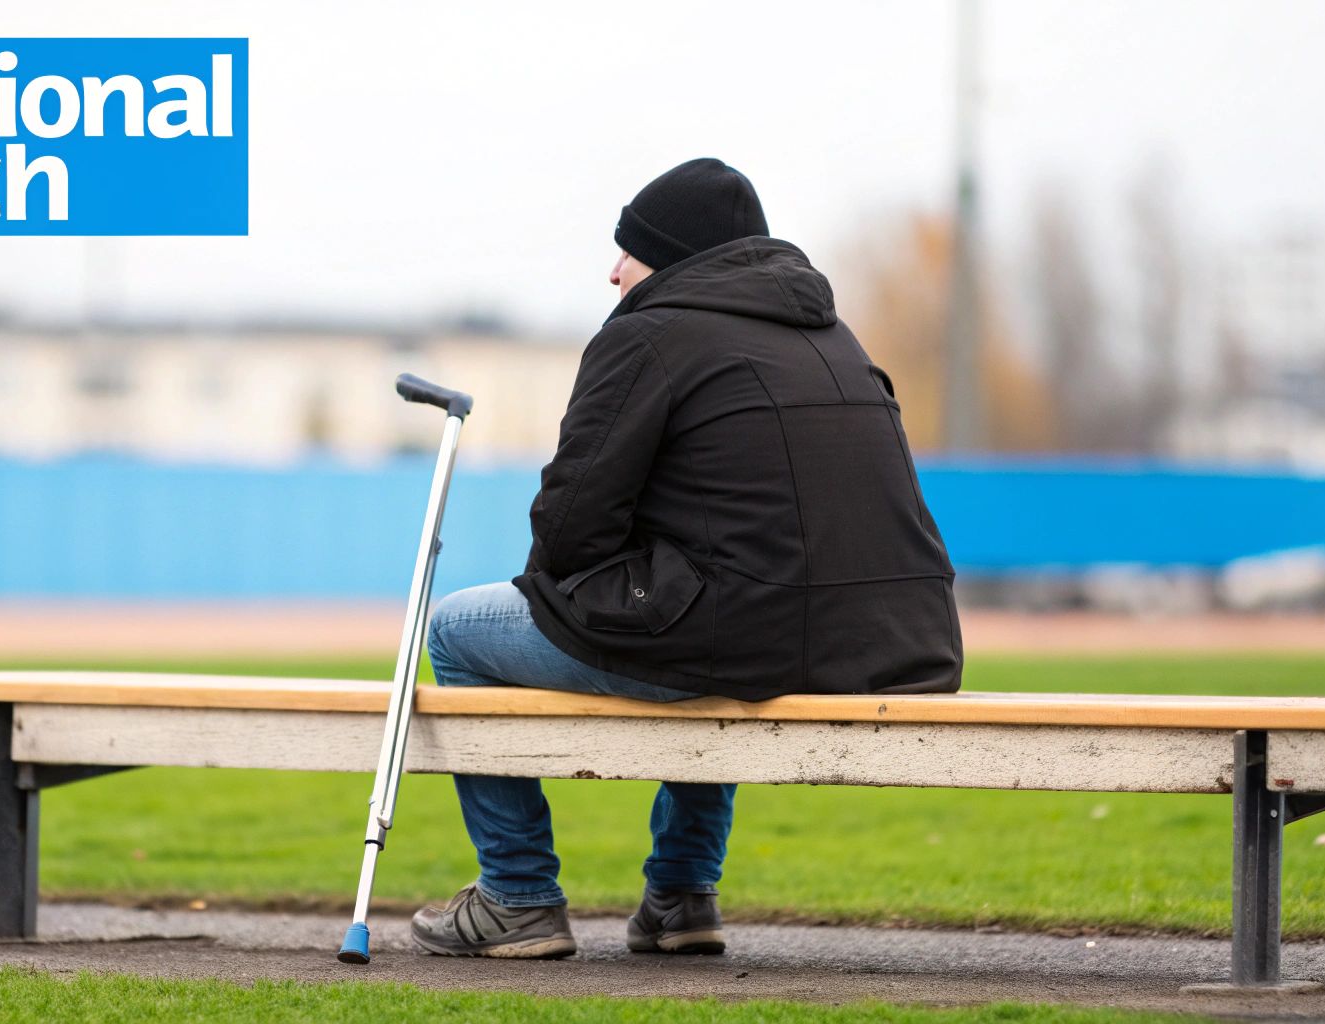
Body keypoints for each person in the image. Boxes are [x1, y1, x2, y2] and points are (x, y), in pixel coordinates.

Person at [410, 158, 962, 960]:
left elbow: (570, 522)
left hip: (747, 630)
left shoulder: (646, 334)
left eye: (627, 251)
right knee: (724, 619)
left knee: (458, 628)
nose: (614, 269)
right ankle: (679, 896)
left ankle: (517, 896)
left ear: (669, 257)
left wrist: (579, 584)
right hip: (888, 643)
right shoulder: (835, 339)